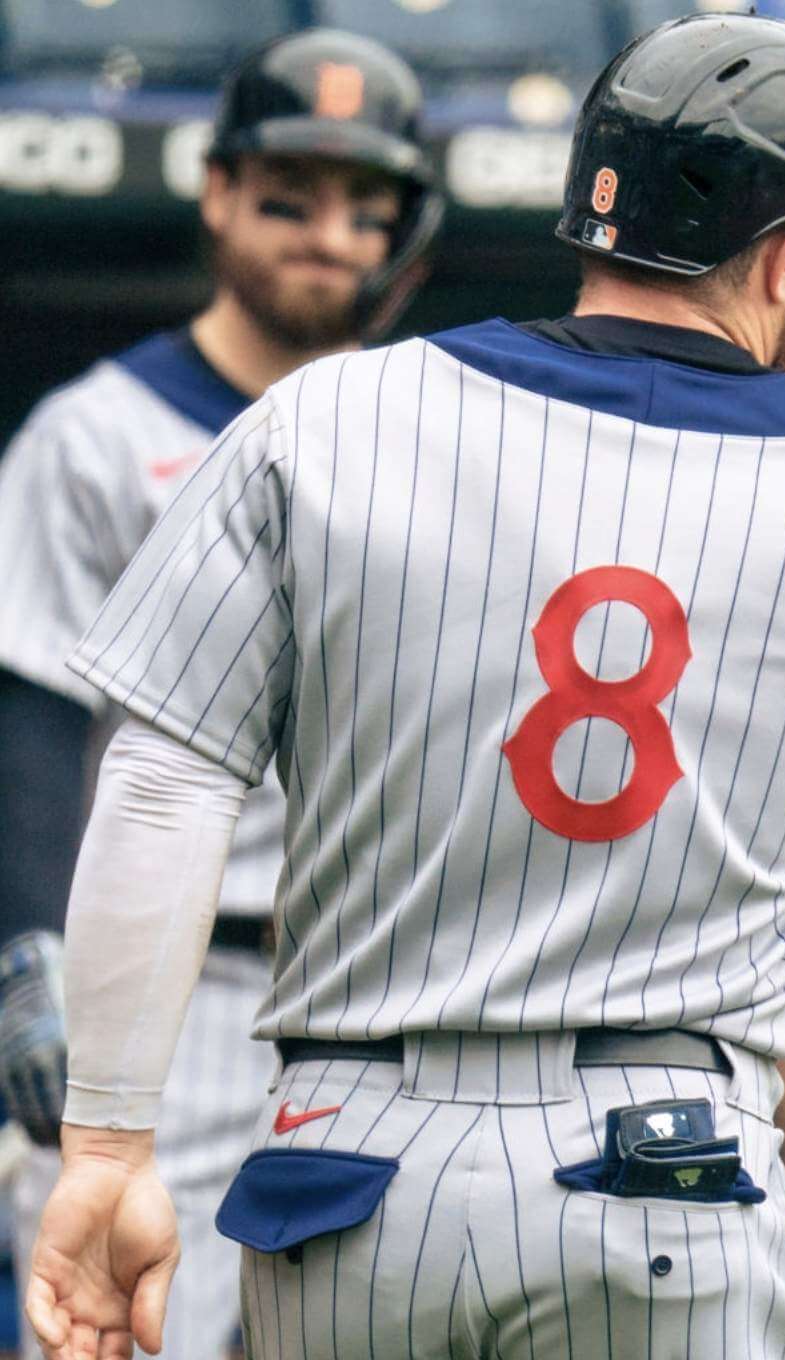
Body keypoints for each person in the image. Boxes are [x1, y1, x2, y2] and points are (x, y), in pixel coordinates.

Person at [23, 12, 785, 1360]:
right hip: (666, 1180)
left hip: (344, 1175)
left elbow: (159, 792)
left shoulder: (320, 422)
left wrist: (106, 1146)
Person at [0, 26, 441, 1359]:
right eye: (289, 196)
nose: (330, 233)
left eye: (368, 207)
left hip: (379, 999)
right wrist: (36, 965)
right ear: (215, 193)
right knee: (124, 1336)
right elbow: (30, 721)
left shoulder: (421, 441)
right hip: (170, 994)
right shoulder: (97, 432)